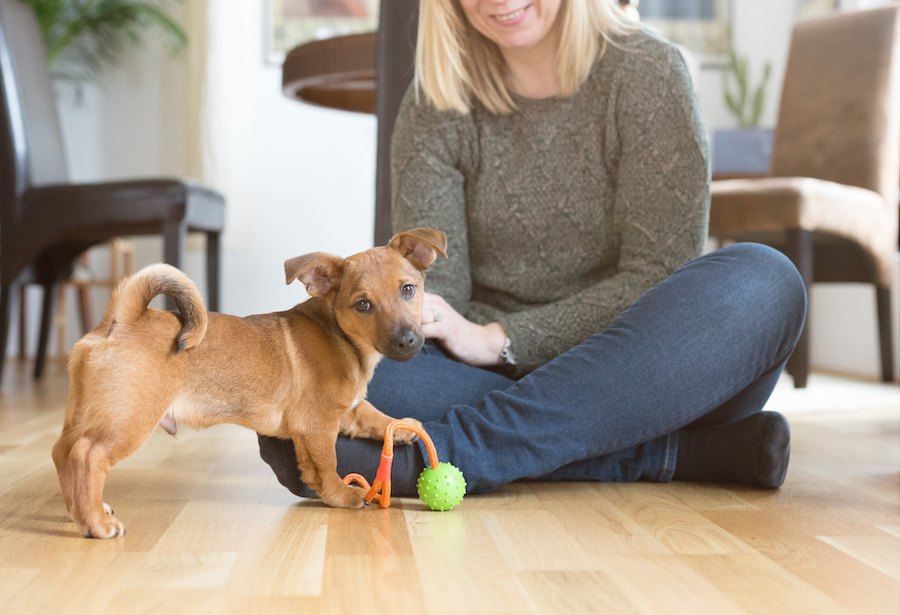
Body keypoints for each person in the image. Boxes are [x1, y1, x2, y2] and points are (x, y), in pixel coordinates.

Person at [258, 0, 806, 499]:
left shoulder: (648, 73)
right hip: (478, 378)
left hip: (641, 372)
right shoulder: (436, 103)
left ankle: (457, 452)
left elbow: (658, 272)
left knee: (765, 281)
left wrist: (504, 339)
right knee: (336, 376)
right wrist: (456, 330)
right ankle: (674, 451)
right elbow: (432, 292)